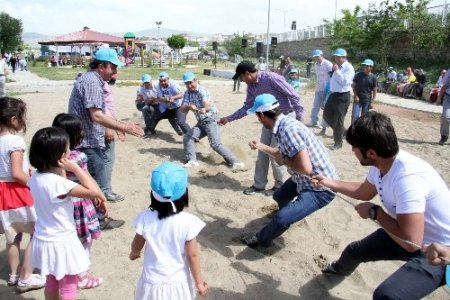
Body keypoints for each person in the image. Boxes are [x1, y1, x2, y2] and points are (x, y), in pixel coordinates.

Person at [312, 112, 450, 299]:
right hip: (408, 232)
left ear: (371, 153)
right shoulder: (382, 163)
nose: (352, 151)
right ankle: (336, 270)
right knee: (354, 251)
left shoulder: (408, 178)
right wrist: (330, 182)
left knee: (386, 296)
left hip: (437, 252)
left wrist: (374, 212)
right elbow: (364, 191)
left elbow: (411, 243)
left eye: (354, 147)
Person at [241, 94, 337, 247]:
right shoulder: (284, 124)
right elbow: (282, 154)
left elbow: (305, 168)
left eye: (257, 116)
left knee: (281, 219)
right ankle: (292, 213)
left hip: (320, 187)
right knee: (280, 196)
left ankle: (261, 239)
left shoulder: (288, 130)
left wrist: (284, 161)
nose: (258, 120)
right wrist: (261, 146)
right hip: (302, 178)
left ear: (262, 115)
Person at [68, 48, 143, 229]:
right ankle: (100, 219)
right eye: (113, 68)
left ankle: (90, 215)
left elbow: (103, 111)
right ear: (102, 66)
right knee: (97, 178)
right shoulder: (92, 82)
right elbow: (97, 116)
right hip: (86, 141)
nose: (115, 72)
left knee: (90, 177)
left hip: (88, 138)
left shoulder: (94, 80)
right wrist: (124, 126)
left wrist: (117, 126)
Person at [28, 127, 105, 300]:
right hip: (62, 241)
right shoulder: (59, 185)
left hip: (43, 238)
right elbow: (93, 191)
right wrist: (77, 169)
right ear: (61, 156)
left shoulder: (34, 178)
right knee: (69, 284)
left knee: (52, 281)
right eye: (67, 148)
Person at [218, 61, 304, 196]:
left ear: (247, 74)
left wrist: (299, 117)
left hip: (284, 118)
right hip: (267, 120)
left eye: (241, 78)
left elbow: (293, 95)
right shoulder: (251, 87)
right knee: (262, 151)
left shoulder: (271, 78)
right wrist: (229, 118)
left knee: (276, 153)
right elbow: (247, 107)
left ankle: (279, 185)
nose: (242, 81)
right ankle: (259, 185)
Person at [129, 161, 208, 299]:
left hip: (151, 282)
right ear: (185, 194)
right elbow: (192, 256)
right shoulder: (188, 222)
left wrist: (134, 253)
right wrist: (199, 283)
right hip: (177, 284)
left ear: (153, 194)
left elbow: (137, 243)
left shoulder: (145, 218)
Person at [51, 113, 107, 289]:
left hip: (59, 206)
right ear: (72, 134)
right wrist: (100, 195)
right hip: (81, 204)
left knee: (69, 240)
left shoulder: (51, 159)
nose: (83, 133)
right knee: (85, 239)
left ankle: (68, 271)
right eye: (80, 130)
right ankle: (82, 275)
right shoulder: (77, 158)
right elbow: (87, 179)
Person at [0, 97, 45, 292]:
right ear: (12, 119)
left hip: (2, 193)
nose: (23, 120)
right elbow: (17, 173)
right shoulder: (14, 141)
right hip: (17, 193)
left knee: (12, 235)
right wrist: (37, 183)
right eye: (21, 117)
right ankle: (27, 275)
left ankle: (13, 274)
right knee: (36, 232)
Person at [180, 72, 245, 170]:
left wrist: (204, 109)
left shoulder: (202, 90)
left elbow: (207, 104)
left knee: (215, 144)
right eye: (187, 83)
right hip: (201, 122)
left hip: (211, 120)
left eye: (190, 82)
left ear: (196, 80)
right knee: (188, 137)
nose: (189, 85)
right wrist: (189, 106)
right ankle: (192, 161)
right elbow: (182, 109)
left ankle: (236, 162)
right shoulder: (187, 93)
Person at [323, 48, 355, 150]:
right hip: (333, 95)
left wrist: (337, 71)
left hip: (343, 96)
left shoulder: (349, 68)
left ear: (344, 57)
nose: (336, 59)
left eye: (338, 57)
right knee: (326, 115)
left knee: (338, 120)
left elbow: (344, 82)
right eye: (335, 57)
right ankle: (343, 132)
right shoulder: (336, 67)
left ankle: (338, 142)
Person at [146, 72, 191, 136]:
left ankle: (192, 136)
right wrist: (165, 99)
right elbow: (159, 97)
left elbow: (181, 95)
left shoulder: (173, 84)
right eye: (161, 81)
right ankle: (150, 130)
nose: (163, 83)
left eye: (164, 81)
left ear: (168, 79)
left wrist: (173, 98)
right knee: (156, 115)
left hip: (178, 106)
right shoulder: (158, 86)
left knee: (181, 122)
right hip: (167, 107)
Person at [308, 49, 333, 130]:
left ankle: (324, 123)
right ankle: (313, 120)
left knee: (325, 107)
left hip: (327, 90)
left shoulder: (328, 64)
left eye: (318, 57)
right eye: (315, 57)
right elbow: (318, 77)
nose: (316, 58)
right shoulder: (316, 65)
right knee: (315, 106)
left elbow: (332, 77)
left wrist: (330, 89)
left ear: (322, 55)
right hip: (318, 88)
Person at [351, 59, 377, 124]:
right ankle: (352, 130)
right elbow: (353, 85)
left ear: (371, 67)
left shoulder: (373, 77)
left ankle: (361, 131)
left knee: (364, 117)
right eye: (364, 65)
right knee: (355, 116)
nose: (365, 67)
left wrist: (372, 101)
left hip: (367, 100)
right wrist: (355, 95)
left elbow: (375, 90)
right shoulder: (359, 75)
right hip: (357, 99)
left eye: (367, 66)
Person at [436, 67, 450, 145]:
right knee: (445, 116)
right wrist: (439, 97)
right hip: (448, 97)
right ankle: (444, 136)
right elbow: (444, 85)